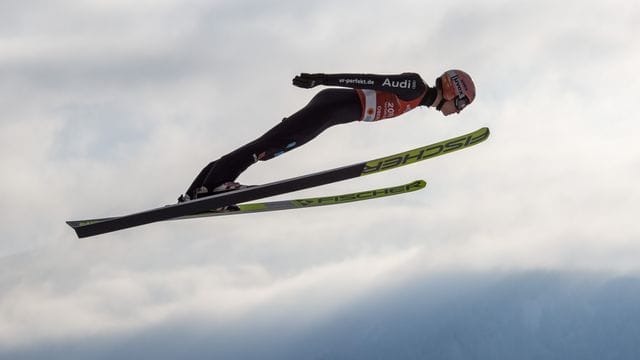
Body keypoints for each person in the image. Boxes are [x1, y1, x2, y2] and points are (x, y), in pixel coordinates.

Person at [177, 70, 476, 205]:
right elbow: (367, 80)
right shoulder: (415, 86)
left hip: (331, 111)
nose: (458, 111)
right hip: (329, 108)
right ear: (453, 91)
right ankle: (213, 187)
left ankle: (197, 191)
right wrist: (322, 78)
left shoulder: (416, 98)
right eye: (461, 104)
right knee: (268, 147)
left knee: (268, 144)